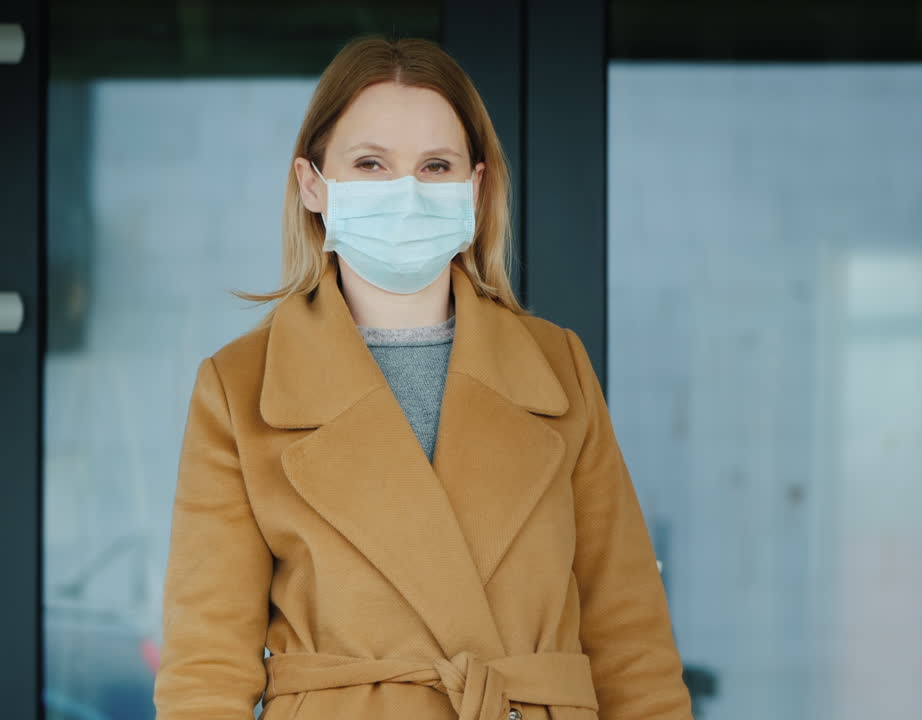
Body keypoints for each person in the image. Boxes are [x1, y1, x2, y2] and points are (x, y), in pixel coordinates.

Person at [152, 35, 693, 720]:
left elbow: (631, 643)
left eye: (435, 165)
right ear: (312, 184)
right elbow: (206, 671)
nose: (405, 192)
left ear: (475, 186)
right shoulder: (241, 389)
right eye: (371, 163)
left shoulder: (557, 369)